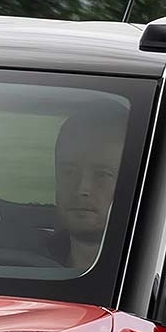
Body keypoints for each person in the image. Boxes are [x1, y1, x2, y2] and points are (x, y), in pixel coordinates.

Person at [48, 105, 129, 268]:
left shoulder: (150, 272)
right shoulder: (27, 264)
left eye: (102, 175)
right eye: (69, 172)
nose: (82, 189)